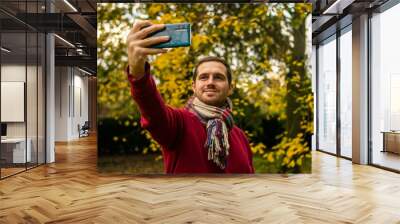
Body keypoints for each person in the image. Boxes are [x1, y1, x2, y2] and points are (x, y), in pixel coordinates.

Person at [126, 20, 254, 173]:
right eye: (204, 77)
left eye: (218, 77)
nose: (210, 82)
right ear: (194, 86)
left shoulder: (240, 137)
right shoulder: (178, 124)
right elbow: (152, 109)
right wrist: (137, 70)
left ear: (230, 88)